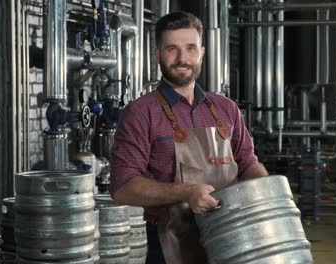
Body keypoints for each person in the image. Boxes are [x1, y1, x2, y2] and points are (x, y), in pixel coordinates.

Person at [109, 11, 268, 264]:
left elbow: (247, 162)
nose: (183, 58)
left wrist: (269, 192)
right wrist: (187, 193)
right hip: (169, 244)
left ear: (202, 53)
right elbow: (122, 187)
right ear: (157, 54)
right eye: (172, 49)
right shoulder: (140, 113)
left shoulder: (226, 108)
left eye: (190, 48)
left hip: (232, 235)